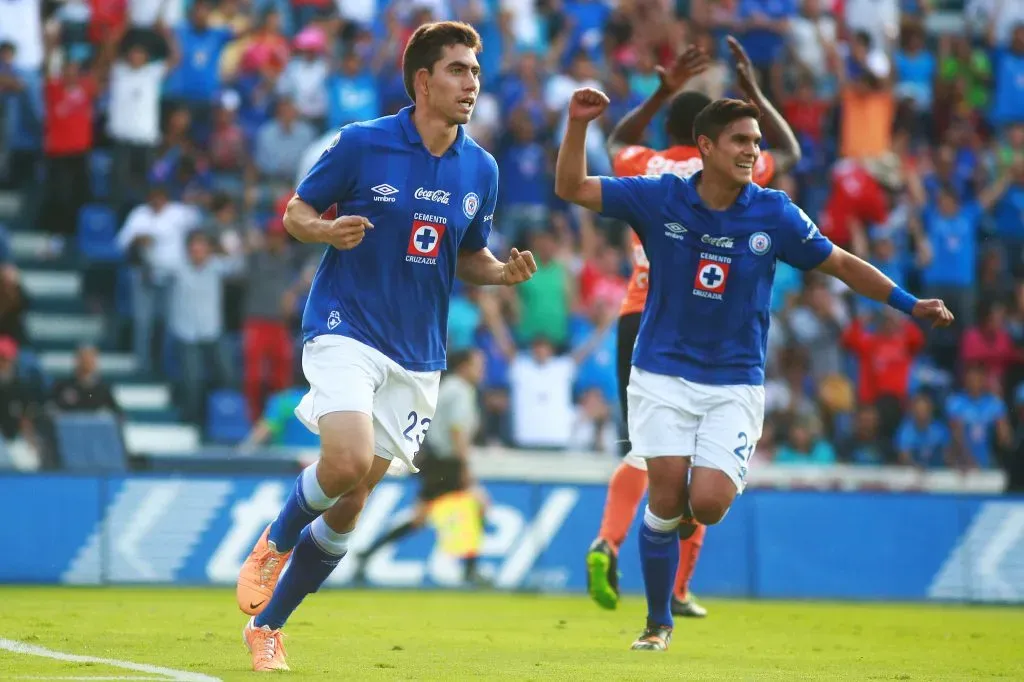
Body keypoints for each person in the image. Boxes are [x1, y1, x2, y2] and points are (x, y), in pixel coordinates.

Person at [554, 89, 953, 651]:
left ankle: (662, 562)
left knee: (707, 504)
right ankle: (656, 623)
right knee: (665, 498)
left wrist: (909, 304)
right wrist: (576, 127)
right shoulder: (660, 196)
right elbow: (570, 187)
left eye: (756, 141)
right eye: (741, 140)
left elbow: (839, 262)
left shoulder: (774, 211)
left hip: (735, 382)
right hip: (661, 373)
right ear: (706, 145)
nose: (752, 150)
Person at [234, 22, 538, 672]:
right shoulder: (362, 143)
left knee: (350, 502)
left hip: (418, 354)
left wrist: (501, 273)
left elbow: (469, 258)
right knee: (342, 462)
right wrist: (324, 230)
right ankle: (274, 541)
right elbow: (294, 212)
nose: (471, 84)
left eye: (477, 73)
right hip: (346, 325)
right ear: (423, 80)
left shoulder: (480, 168)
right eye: (458, 70)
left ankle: (268, 627)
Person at [586, 37, 803, 619]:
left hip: (640, 313)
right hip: (707, 321)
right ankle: (678, 588)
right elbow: (789, 151)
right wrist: (756, 95)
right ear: (707, 136)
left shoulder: (650, 167)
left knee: (649, 453)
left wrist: (657, 90)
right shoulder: (732, 168)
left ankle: (609, 538)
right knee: (700, 454)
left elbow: (615, 141)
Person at [352, 347, 489, 587]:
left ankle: (367, 554)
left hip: (436, 461)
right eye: (478, 365)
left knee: (421, 519)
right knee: (476, 505)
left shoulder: (449, 388)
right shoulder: (460, 391)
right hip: (446, 463)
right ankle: (471, 569)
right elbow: (457, 431)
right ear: (464, 366)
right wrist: (465, 467)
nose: (482, 371)